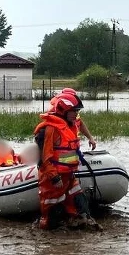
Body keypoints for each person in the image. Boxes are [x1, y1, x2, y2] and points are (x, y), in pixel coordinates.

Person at [34, 91, 94, 229]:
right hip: (52, 179)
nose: (76, 114)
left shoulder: (70, 124)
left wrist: (90, 137)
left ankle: (83, 224)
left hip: (69, 176)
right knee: (52, 216)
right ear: (63, 110)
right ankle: (47, 234)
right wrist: (54, 178)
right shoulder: (49, 129)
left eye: (77, 111)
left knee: (80, 204)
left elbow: (79, 124)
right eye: (74, 111)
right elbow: (44, 159)